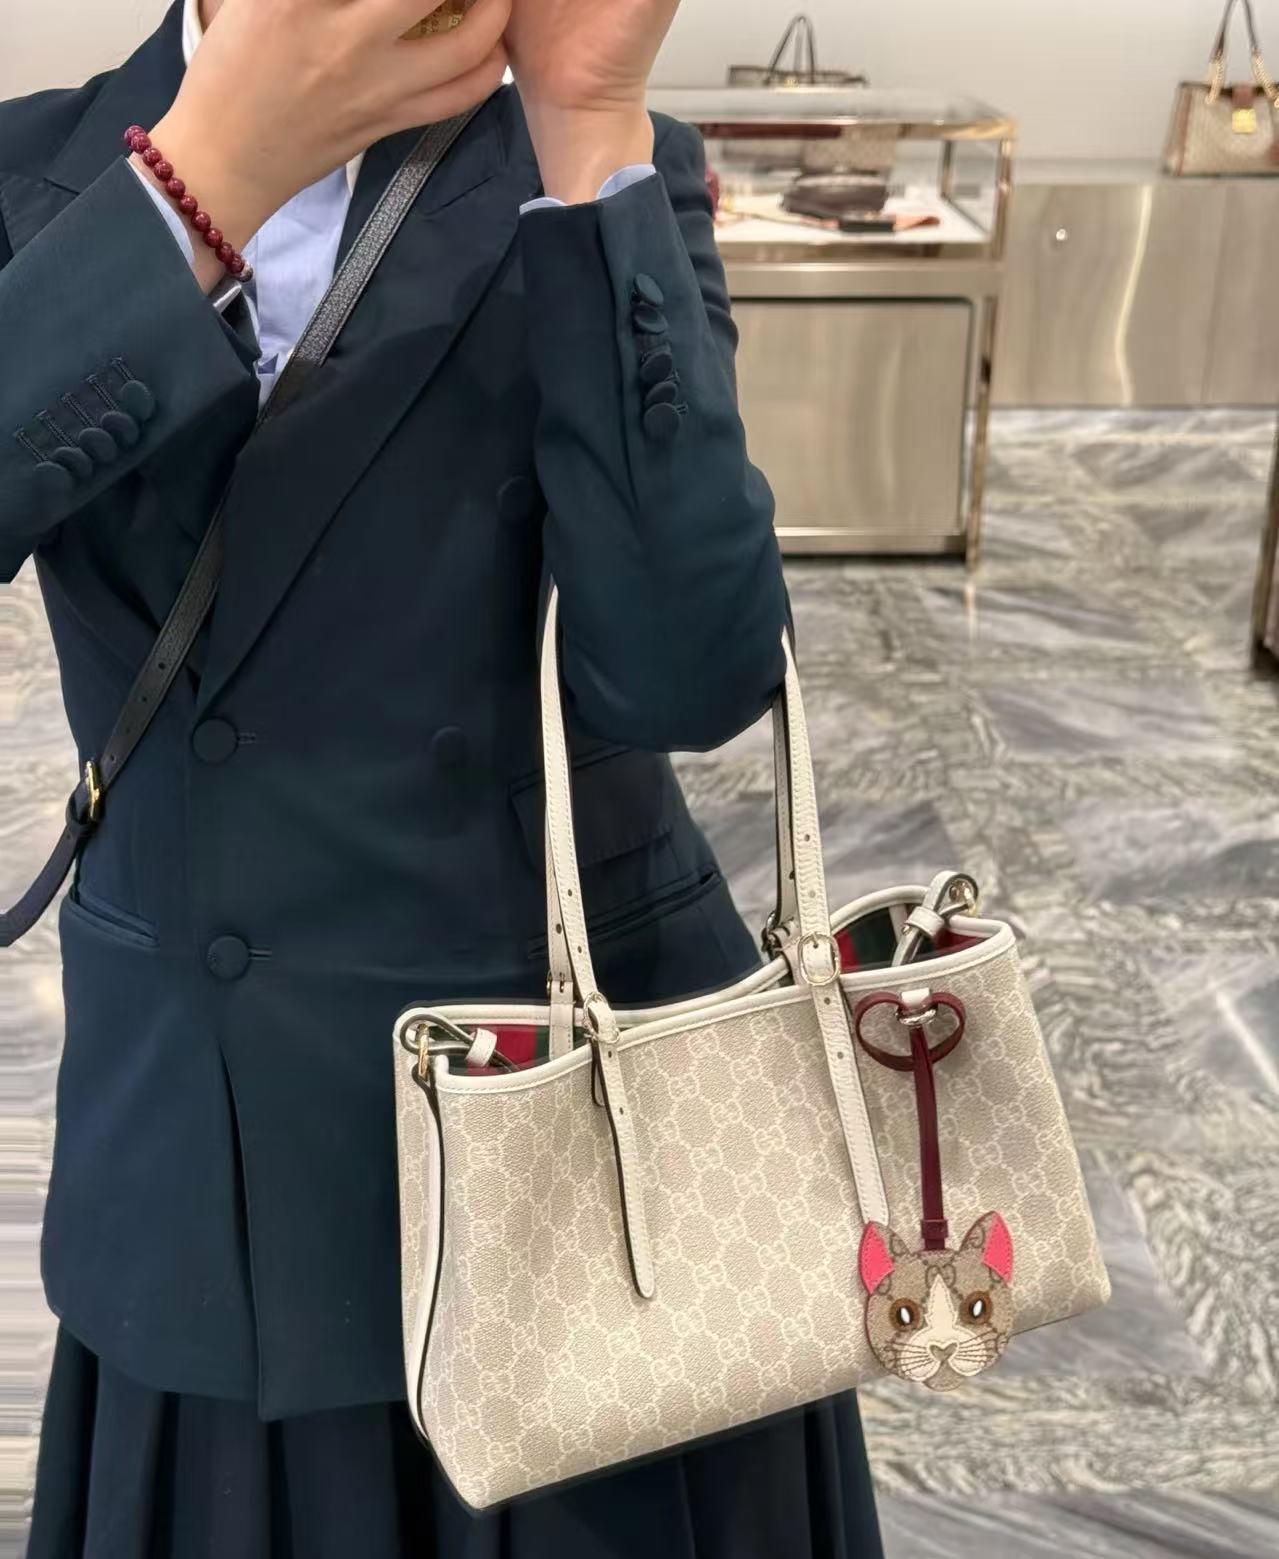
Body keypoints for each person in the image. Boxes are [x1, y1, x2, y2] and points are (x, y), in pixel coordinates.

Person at [0, 0, 885, 1553]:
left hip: (596, 1152)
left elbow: (692, 676)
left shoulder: (597, 161)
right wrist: (205, 179)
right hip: (214, 1164)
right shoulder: (43, 175)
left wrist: (589, 124)